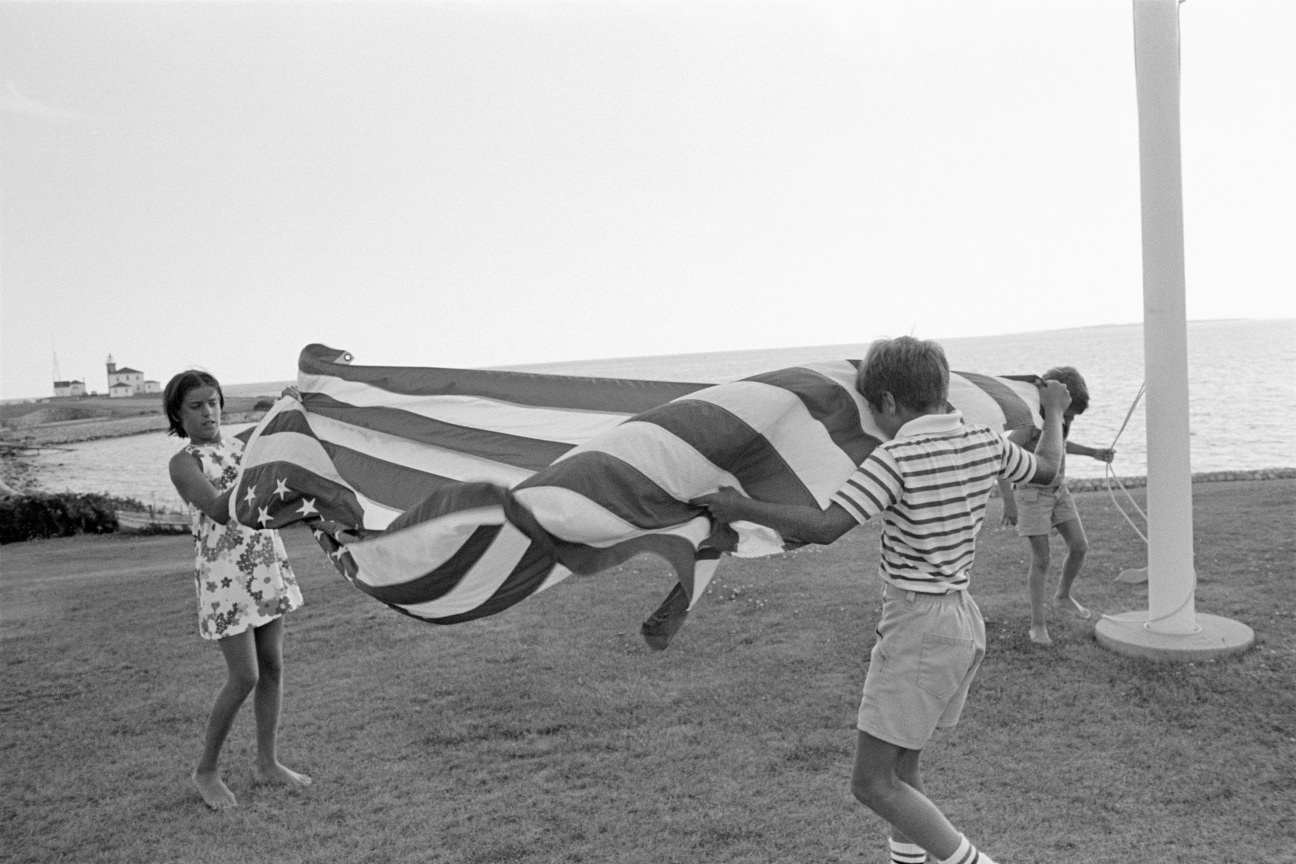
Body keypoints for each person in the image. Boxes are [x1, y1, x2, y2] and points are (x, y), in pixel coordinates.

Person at [692, 336, 1071, 864]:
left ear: (890, 403)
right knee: (902, 772)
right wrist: (1053, 413)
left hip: (919, 624)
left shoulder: (896, 457)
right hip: (957, 620)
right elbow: (1050, 468)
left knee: (871, 784)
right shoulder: (985, 441)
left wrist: (740, 506)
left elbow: (826, 527)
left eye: (873, 409)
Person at [165, 370, 311, 810]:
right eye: (196, 405)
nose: (208, 412)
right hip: (224, 576)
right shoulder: (184, 461)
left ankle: (267, 762)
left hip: (264, 563)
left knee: (273, 666)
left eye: (213, 402)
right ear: (178, 414)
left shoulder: (241, 445)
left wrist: (289, 406)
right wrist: (259, 475)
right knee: (244, 675)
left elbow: (276, 432)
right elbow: (216, 507)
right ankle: (205, 770)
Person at [996, 366, 1115, 646]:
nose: (1069, 419)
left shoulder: (1059, 418)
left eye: (1071, 416)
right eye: (1068, 413)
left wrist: (1094, 453)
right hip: (1031, 495)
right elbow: (1002, 461)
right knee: (1042, 560)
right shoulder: (1030, 423)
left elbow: (1060, 443)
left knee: (1079, 546)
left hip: (1058, 491)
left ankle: (1063, 597)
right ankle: (1037, 626)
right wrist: (1009, 503)